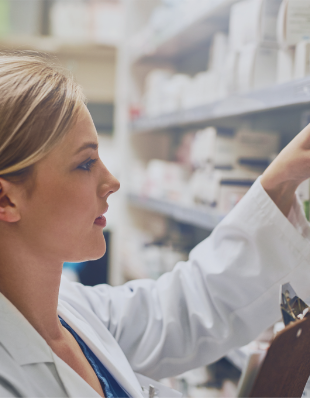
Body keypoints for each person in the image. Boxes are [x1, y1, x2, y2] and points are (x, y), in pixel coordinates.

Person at [0, 51, 310, 398]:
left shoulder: (70, 313)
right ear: (6, 199)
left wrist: (280, 182)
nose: (112, 181)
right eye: (85, 164)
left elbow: (181, 310)